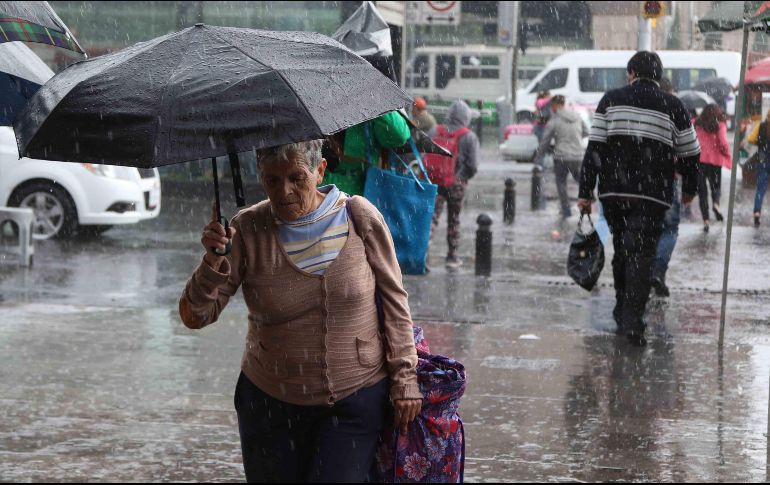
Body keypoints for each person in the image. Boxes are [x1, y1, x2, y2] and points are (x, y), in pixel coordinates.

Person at [178, 140, 423, 482]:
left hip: (354, 397)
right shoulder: (246, 229)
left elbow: (395, 301)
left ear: (320, 170)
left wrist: (405, 377)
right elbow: (195, 315)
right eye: (272, 180)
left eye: (297, 177)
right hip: (269, 405)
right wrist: (213, 260)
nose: (284, 191)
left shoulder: (360, 217)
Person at [578, 51, 700, 347]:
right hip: (652, 195)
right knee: (643, 255)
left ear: (631, 72)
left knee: (622, 249)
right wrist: (689, 188)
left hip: (614, 192)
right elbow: (690, 151)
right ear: (658, 76)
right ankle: (634, 320)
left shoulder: (610, 99)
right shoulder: (674, 105)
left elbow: (594, 147)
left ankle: (622, 310)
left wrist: (585, 192)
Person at [427, 100, 480, 269]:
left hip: (434, 182)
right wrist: (459, 177)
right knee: (454, 220)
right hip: (456, 185)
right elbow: (473, 166)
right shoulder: (469, 136)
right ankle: (452, 257)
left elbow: (425, 156)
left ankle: (422, 255)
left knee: (431, 219)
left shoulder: (435, 131)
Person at [651, 76, 682, 297]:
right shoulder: (675, 111)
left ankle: (638, 275)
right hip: (667, 179)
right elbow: (688, 149)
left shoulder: (638, 107)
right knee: (669, 228)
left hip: (636, 181)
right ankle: (658, 271)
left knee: (643, 227)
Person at [534, 95, 589, 219]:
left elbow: (545, 141)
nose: (552, 109)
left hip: (561, 156)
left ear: (555, 105)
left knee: (561, 182)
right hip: (578, 156)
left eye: (552, 106)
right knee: (580, 180)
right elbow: (586, 132)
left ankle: (566, 209)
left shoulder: (554, 120)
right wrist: (575, 139)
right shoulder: (577, 117)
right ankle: (587, 201)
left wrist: (538, 157)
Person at [694, 104, 731, 232]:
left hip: (700, 160)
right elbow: (723, 142)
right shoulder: (719, 125)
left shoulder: (697, 123)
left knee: (702, 192)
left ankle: (706, 221)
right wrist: (726, 153)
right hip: (715, 161)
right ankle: (716, 204)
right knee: (716, 186)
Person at [747, 110, 770, 227]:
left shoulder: (761, 126)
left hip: (762, 160)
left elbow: (750, 139)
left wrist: (760, 143)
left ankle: (757, 212)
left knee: (760, 189)